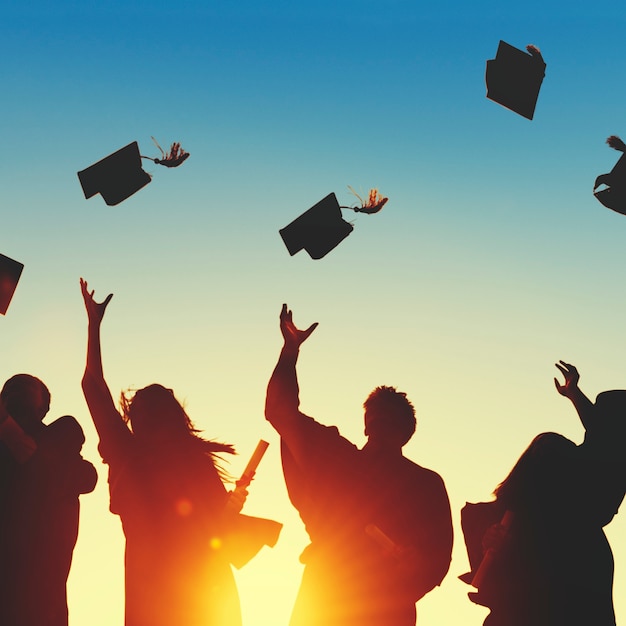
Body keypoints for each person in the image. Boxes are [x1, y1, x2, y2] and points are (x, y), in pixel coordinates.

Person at [80, 278, 281, 626]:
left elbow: (92, 387)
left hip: (183, 591)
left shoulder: (137, 454)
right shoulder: (151, 455)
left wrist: (94, 326)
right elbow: (93, 387)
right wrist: (93, 326)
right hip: (193, 592)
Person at [265, 304, 453, 626]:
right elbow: (280, 411)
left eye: (389, 421)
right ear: (365, 424)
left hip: (385, 606)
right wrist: (290, 351)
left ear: (405, 433)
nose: (380, 427)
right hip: (325, 599)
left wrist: (415, 563)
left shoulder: (426, 484)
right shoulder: (336, 457)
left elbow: (437, 559)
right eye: (376, 419)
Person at [0, 373, 97, 626]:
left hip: (39, 603)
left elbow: (45, 468)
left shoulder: (63, 433)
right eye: (8, 388)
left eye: (24, 386)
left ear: (44, 408)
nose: (12, 390)